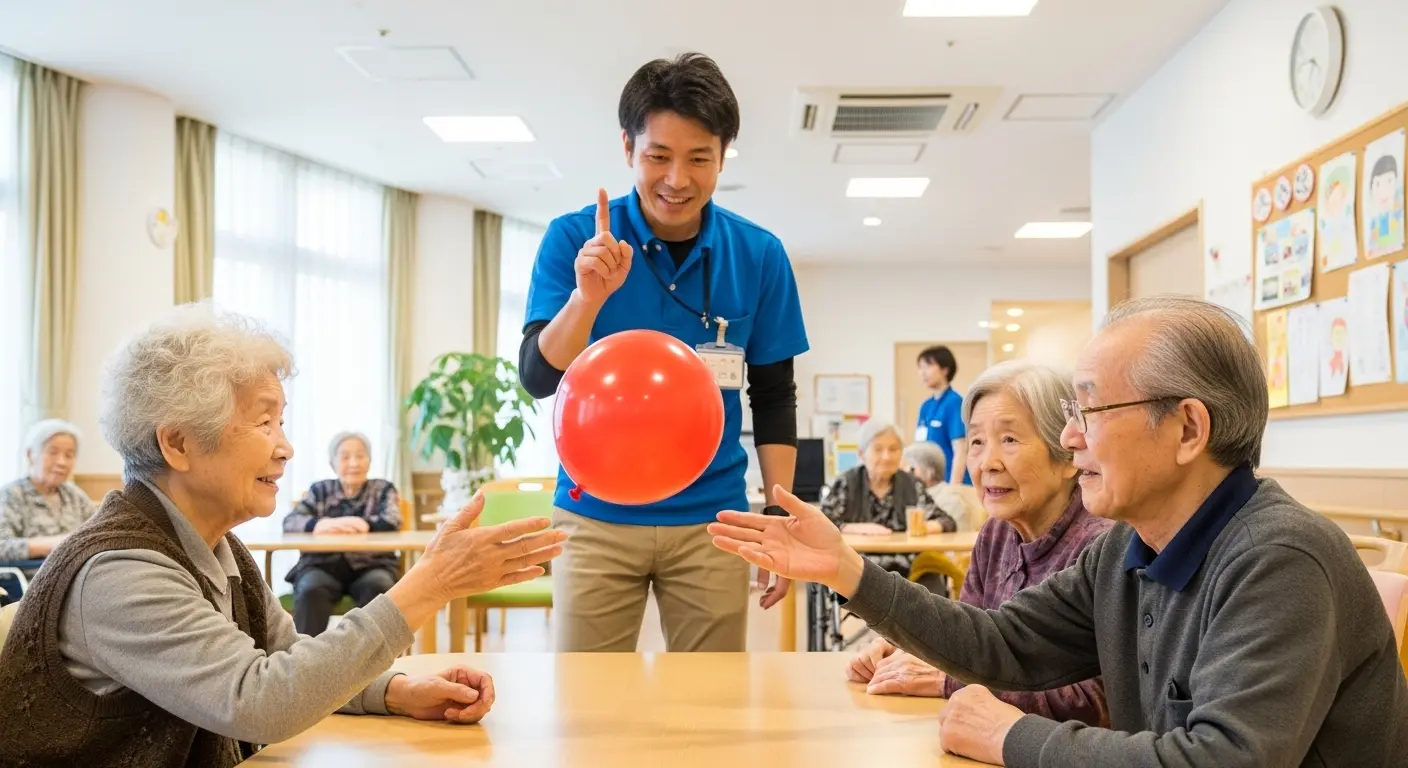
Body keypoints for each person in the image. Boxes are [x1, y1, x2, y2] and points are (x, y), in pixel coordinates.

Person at [710, 295, 1408, 767]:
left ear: (1190, 429)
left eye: (1090, 409)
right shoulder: (1126, 551)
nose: (1070, 438)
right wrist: (847, 570)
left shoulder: (1280, 558)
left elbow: (1222, 758)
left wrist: (1015, 737)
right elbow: (1001, 642)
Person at [0, 304, 567, 766]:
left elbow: (286, 655)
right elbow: (259, 698)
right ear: (176, 444)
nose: (286, 446)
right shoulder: (120, 571)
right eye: (263, 421)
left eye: (282, 420)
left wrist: (393, 691)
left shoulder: (214, 545)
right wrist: (427, 586)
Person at [518, 52, 808, 653]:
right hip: (593, 516)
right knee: (589, 708)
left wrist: (780, 518)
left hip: (715, 521)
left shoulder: (759, 254)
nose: (677, 179)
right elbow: (538, 376)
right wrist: (587, 299)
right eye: (659, 156)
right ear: (628, 148)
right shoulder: (575, 240)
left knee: (709, 711)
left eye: (699, 158)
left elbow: (775, 397)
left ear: (723, 156)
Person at [848, 361, 1111, 728]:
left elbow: (1099, 701)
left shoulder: (1102, 546)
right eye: (975, 441)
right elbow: (970, 641)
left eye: (1009, 440)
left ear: (1068, 455)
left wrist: (949, 679)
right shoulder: (996, 532)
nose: (987, 462)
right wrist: (918, 648)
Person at [283, 431, 403, 635]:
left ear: (369, 460)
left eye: (360, 455)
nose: (354, 463)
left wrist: (363, 524)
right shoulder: (320, 490)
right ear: (333, 463)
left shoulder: (382, 489)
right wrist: (322, 524)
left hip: (372, 565)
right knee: (311, 589)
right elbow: (291, 521)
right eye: (345, 457)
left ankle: (374, 661)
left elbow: (393, 519)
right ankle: (305, 660)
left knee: (380, 587)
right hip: (323, 565)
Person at [821, 419, 954, 590]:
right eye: (878, 449)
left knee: (932, 581)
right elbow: (822, 522)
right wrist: (856, 528)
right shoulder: (847, 483)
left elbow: (946, 521)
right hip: (857, 567)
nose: (887, 456)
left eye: (893, 449)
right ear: (861, 454)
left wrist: (922, 526)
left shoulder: (912, 485)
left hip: (907, 569)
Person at [0, 419, 98, 573]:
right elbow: (2, 547)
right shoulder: (11, 494)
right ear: (30, 454)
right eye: (53, 452)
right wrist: (51, 544)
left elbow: (98, 532)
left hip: (78, 579)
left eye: (69, 455)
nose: (62, 462)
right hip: (29, 583)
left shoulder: (75, 495)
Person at [915, 345, 971, 486]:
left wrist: (953, 488)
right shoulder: (926, 406)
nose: (922, 373)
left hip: (951, 482)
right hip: (930, 483)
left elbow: (960, 449)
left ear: (945, 369)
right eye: (920, 368)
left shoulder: (954, 402)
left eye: (927, 366)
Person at [901, 441, 971, 531]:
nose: (906, 474)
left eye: (912, 469)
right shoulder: (914, 495)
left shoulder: (948, 500)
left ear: (929, 473)